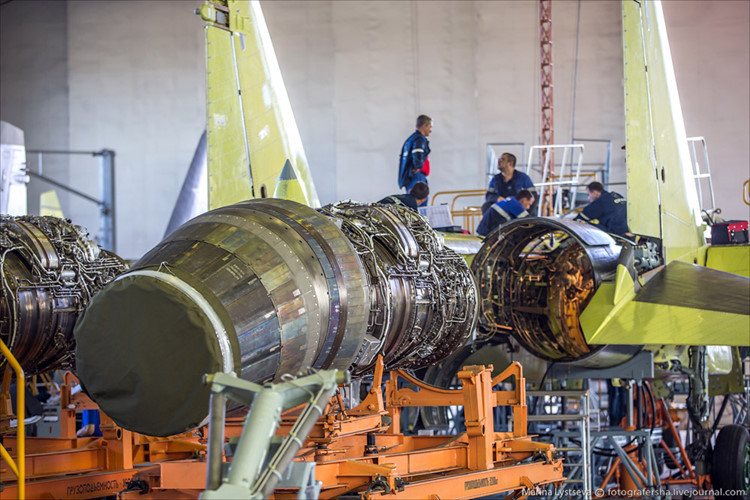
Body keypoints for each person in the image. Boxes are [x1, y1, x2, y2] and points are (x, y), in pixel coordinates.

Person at [398, 115, 432, 192]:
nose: (430, 130)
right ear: (424, 126)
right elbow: (417, 153)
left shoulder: (411, 139)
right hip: (417, 176)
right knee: (420, 197)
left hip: (411, 176)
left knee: (412, 197)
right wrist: (418, 166)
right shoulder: (419, 139)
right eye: (430, 127)